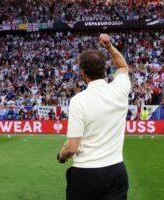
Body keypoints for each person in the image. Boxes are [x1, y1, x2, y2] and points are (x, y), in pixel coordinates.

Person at [57, 33, 130, 200]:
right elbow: (123, 67)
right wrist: (109, 46)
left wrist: (61, 157)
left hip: (86, 173)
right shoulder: (119, 90)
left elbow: (71, 147)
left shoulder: (78, 100)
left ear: (83, 73)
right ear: (104, 69)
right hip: (116, 170)